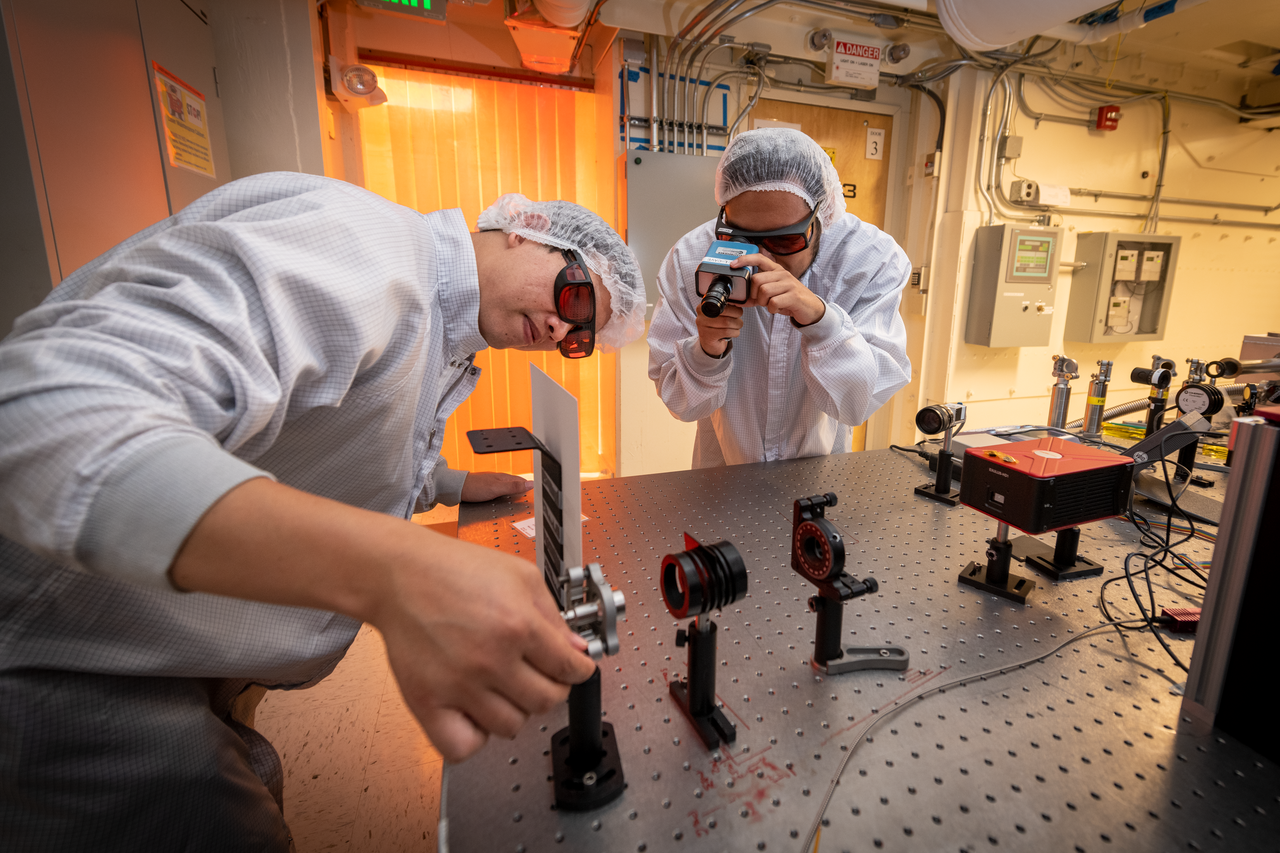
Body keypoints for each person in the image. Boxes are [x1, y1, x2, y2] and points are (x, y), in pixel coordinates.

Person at [0, 173, 645, 851]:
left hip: (172, 639)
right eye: (573, 298)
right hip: (70, 652)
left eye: (576, 337)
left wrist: (445, 484)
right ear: (527, 226)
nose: (557, 327)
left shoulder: (438, 327)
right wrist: (395, 573)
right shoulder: (362, 250)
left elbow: (322, 439)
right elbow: (46, 417)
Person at [647, 127, 912, 467]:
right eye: (742, 237)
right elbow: (683, 405)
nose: (763, 260)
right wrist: (707, 351)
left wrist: (820, 320)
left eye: (785, 242)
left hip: (820, 474)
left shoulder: (869, 260)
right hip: (722, 475)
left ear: (822, 216)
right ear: (725, 214)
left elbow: (855, 405)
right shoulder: (690, 259)